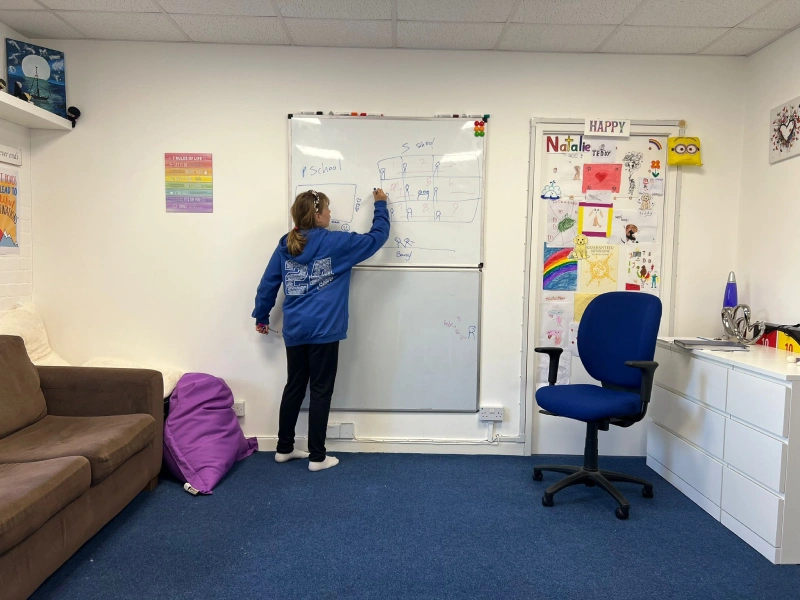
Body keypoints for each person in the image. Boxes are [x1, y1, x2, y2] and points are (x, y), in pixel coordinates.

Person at [253, 188, 390, 472]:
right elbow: (377, 238)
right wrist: (380, 205)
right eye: (327, 209)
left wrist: (261, 315)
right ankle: (317, 456)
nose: (330, 213)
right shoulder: (337, 243)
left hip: (296, 330)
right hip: (324, 330)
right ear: (316, 215)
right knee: (320, 391)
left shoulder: (286, 244)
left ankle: (284, 448)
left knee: (294, 387)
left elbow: (269, 283)